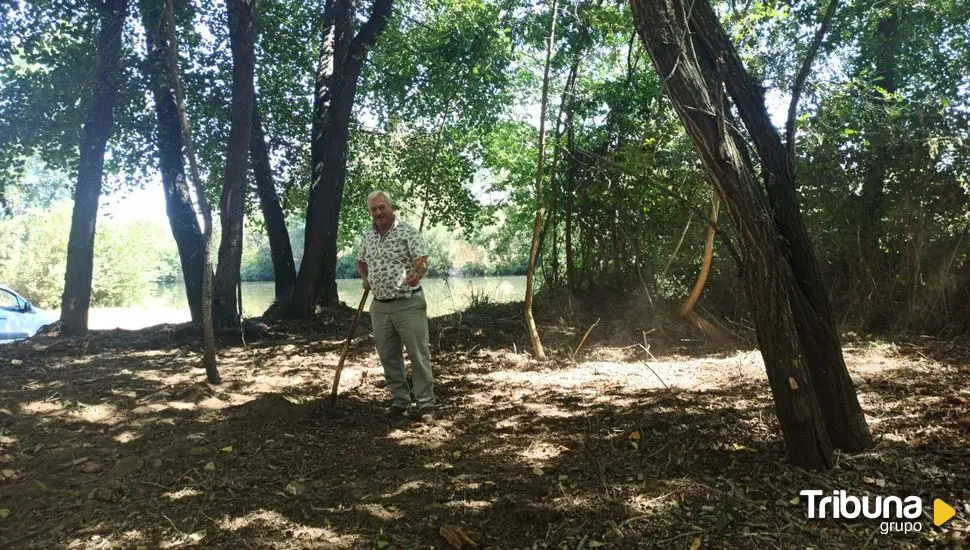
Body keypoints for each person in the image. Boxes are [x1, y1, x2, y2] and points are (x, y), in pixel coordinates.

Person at [356, 190, 436, 422]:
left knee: (418, 355)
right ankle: (400, 401)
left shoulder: (407, 231)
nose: (379, 212)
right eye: (374, 209)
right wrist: (365, 278)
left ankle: (426, 405)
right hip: (379, 306)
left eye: (382, 207)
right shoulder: (368, 235)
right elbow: (361, 260)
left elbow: (421, 260)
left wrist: (417, 273)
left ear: (391, 207)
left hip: (408, 303)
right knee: (388, 356)